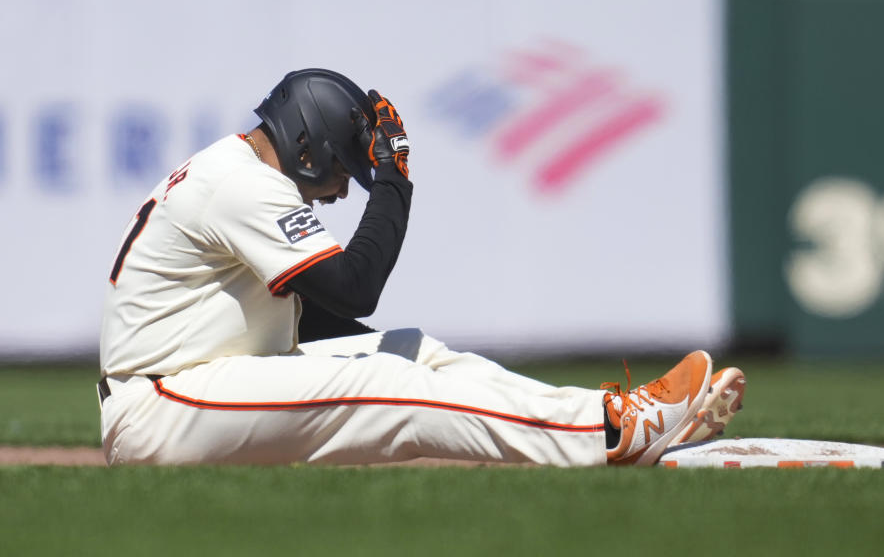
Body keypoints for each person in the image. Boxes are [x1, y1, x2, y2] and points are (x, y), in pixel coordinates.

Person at [98, 68, 745, 466]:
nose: (342, 191)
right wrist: (394, 181)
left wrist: (386, 186)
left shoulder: (236, 173)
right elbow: (355, 290)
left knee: (416, 356)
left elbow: (320, 309)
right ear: (306, 145)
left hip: (195, 383)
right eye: (342, 171)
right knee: (395, 388)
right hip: (162, 404)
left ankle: (609, 414)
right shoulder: (238, 183)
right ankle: (606, 434)